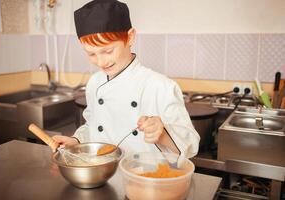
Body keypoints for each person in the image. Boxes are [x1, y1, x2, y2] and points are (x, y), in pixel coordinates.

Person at [53, 0, 200, 158]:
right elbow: (93, 127)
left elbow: (191, 146)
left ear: (130, 37)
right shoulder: (95, 83)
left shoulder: (160, 86)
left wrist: (163, 134)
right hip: (102, 173)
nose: (101, 62)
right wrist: (76, 140)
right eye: (91, 54)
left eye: (108, 51)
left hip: (145, 177)